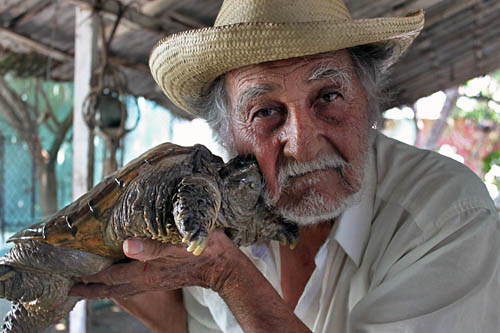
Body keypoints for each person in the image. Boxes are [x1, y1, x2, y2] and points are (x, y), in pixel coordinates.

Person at [71, 0, 500, 332]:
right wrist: (120, 277)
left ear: (368, 101)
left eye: (328, 96)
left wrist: (228, 276)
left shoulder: (449, 216)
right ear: (227, 136)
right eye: (264, 112)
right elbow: (201, 324)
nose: (303, 146)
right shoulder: (212, 221)